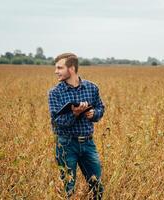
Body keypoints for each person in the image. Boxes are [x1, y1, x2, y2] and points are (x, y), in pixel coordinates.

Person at [48, 53, 105, 199]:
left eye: (60, 68)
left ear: (71, 69)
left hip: (88, 143)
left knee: (97, 186)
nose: (56, 71)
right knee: (68, 188)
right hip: (66, 144)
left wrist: (94, 113)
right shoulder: (55, 93)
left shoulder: (92, 88)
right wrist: (75, 114)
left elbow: (100, 108)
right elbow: (57, 121)